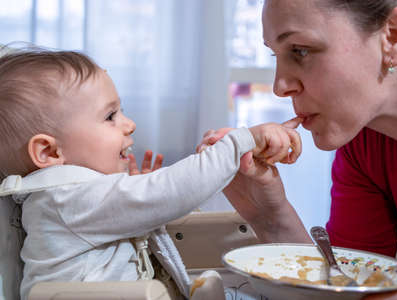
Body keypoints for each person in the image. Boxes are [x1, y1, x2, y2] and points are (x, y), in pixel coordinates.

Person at [0, 47, 302, 300]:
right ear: (49, 153)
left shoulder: (63, 199)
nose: (129, 124)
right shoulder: (69, 198)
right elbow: (176, 189)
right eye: (110, 116)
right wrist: (241, 141)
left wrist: (136, 195)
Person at [199, 0, 397, 299]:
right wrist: (270, 216)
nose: (280, 86)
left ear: (393, 37)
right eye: (275, 54)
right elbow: (347, 291)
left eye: (300, 50)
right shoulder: (365, 144)